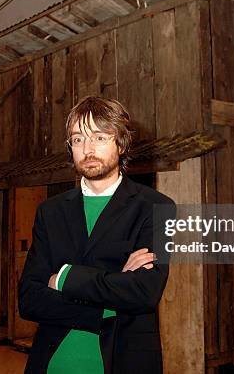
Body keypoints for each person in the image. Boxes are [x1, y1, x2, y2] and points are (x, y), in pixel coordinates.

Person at [18, 96, 175, 374]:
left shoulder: (157, 207)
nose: (88, 149)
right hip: (54, 361)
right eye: (78, 139)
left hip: (123, 360)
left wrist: (64, 278)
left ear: (121, 144)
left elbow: (143, 293)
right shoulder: (50, 211)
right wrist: (112, 294)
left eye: (100, 137)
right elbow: (29, 299)